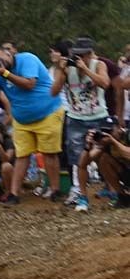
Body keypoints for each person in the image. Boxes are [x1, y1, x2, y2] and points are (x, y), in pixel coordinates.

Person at [0, 44, 66, 204]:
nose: (0, 62)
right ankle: (14, 193)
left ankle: (55, 190)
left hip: (48, 112)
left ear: (9, 55)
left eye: (1, 58)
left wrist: (5, 73)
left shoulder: (27, 59)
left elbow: (29, 84)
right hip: (22, 119)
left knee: (49, 153)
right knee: (22, 155)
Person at [52, 37, 111, 210]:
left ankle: (112, 188)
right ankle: (79, 192)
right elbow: (54, 92)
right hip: (76, 118)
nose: (79, 58)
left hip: (98, 115)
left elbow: (105, 83)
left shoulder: (98, 64)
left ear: (90, 54)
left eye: (83, 55)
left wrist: (85, 69)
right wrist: (61, 71)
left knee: (104, 155)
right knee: (77, 158)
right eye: (77, 55)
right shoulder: (67, 68)